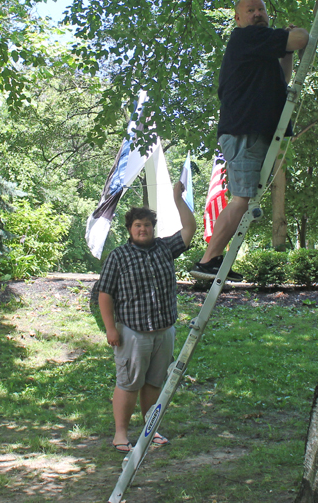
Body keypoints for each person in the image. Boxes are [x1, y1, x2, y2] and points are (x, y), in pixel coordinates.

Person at [191, 0, 309, 281]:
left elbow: (282, 77)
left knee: (243, 197)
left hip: (251, 130)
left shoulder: (260, 47)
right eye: (250, 10)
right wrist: (292, 36)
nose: (257, 14)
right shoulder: (248, 38)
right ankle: (208, 261)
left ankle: (211, 259)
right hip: (245, 131)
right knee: (241, 199)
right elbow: (302, 38)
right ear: (238, 18)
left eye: (261, 9)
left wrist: (286, 49)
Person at [98, 181, 196, 452]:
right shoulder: (119, 256)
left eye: (147, 225)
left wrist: (178, 199)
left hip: (164, 331)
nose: (143, 229)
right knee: (129, 383)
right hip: (133, 333)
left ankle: (149, 429)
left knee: (154, 383)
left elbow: (190, 229)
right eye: (138, 225)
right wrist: (111, 329)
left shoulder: (165, 248)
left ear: (153, 228)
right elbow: (104, 294)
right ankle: (120, 434)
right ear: (130, 229)